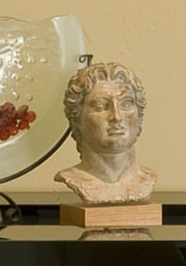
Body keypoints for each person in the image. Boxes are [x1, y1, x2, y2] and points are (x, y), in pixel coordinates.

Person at [54, 60, 157, 205]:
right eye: (101, 106)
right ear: (77, 119)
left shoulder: (147, 179)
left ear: (139, 116)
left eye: (126, 104)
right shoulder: (73, 178)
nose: (116, 116)